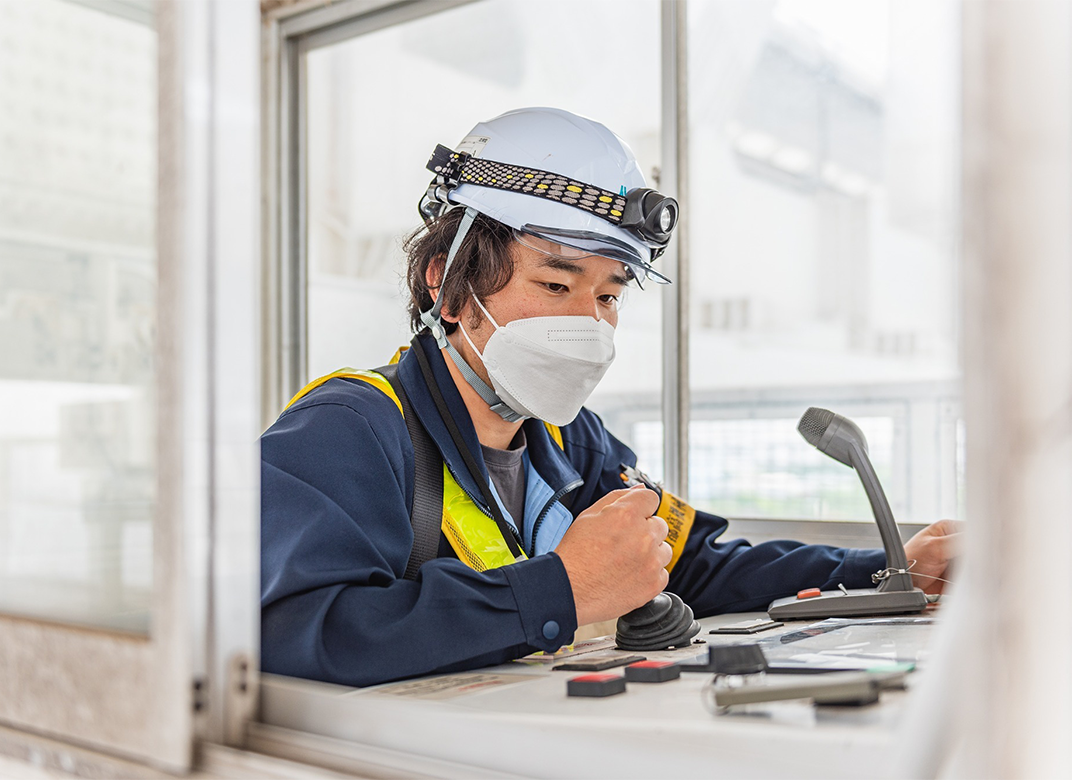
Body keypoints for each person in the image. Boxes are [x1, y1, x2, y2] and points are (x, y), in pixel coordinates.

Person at [260, 107, 957, 687]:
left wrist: (890, 569)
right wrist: (561, 589)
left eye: (608, 295)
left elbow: (694, 562)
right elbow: (296, 633)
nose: (588, 324)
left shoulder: (571, 440)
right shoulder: (348, 430)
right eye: (557, 286)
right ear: (447, 285)